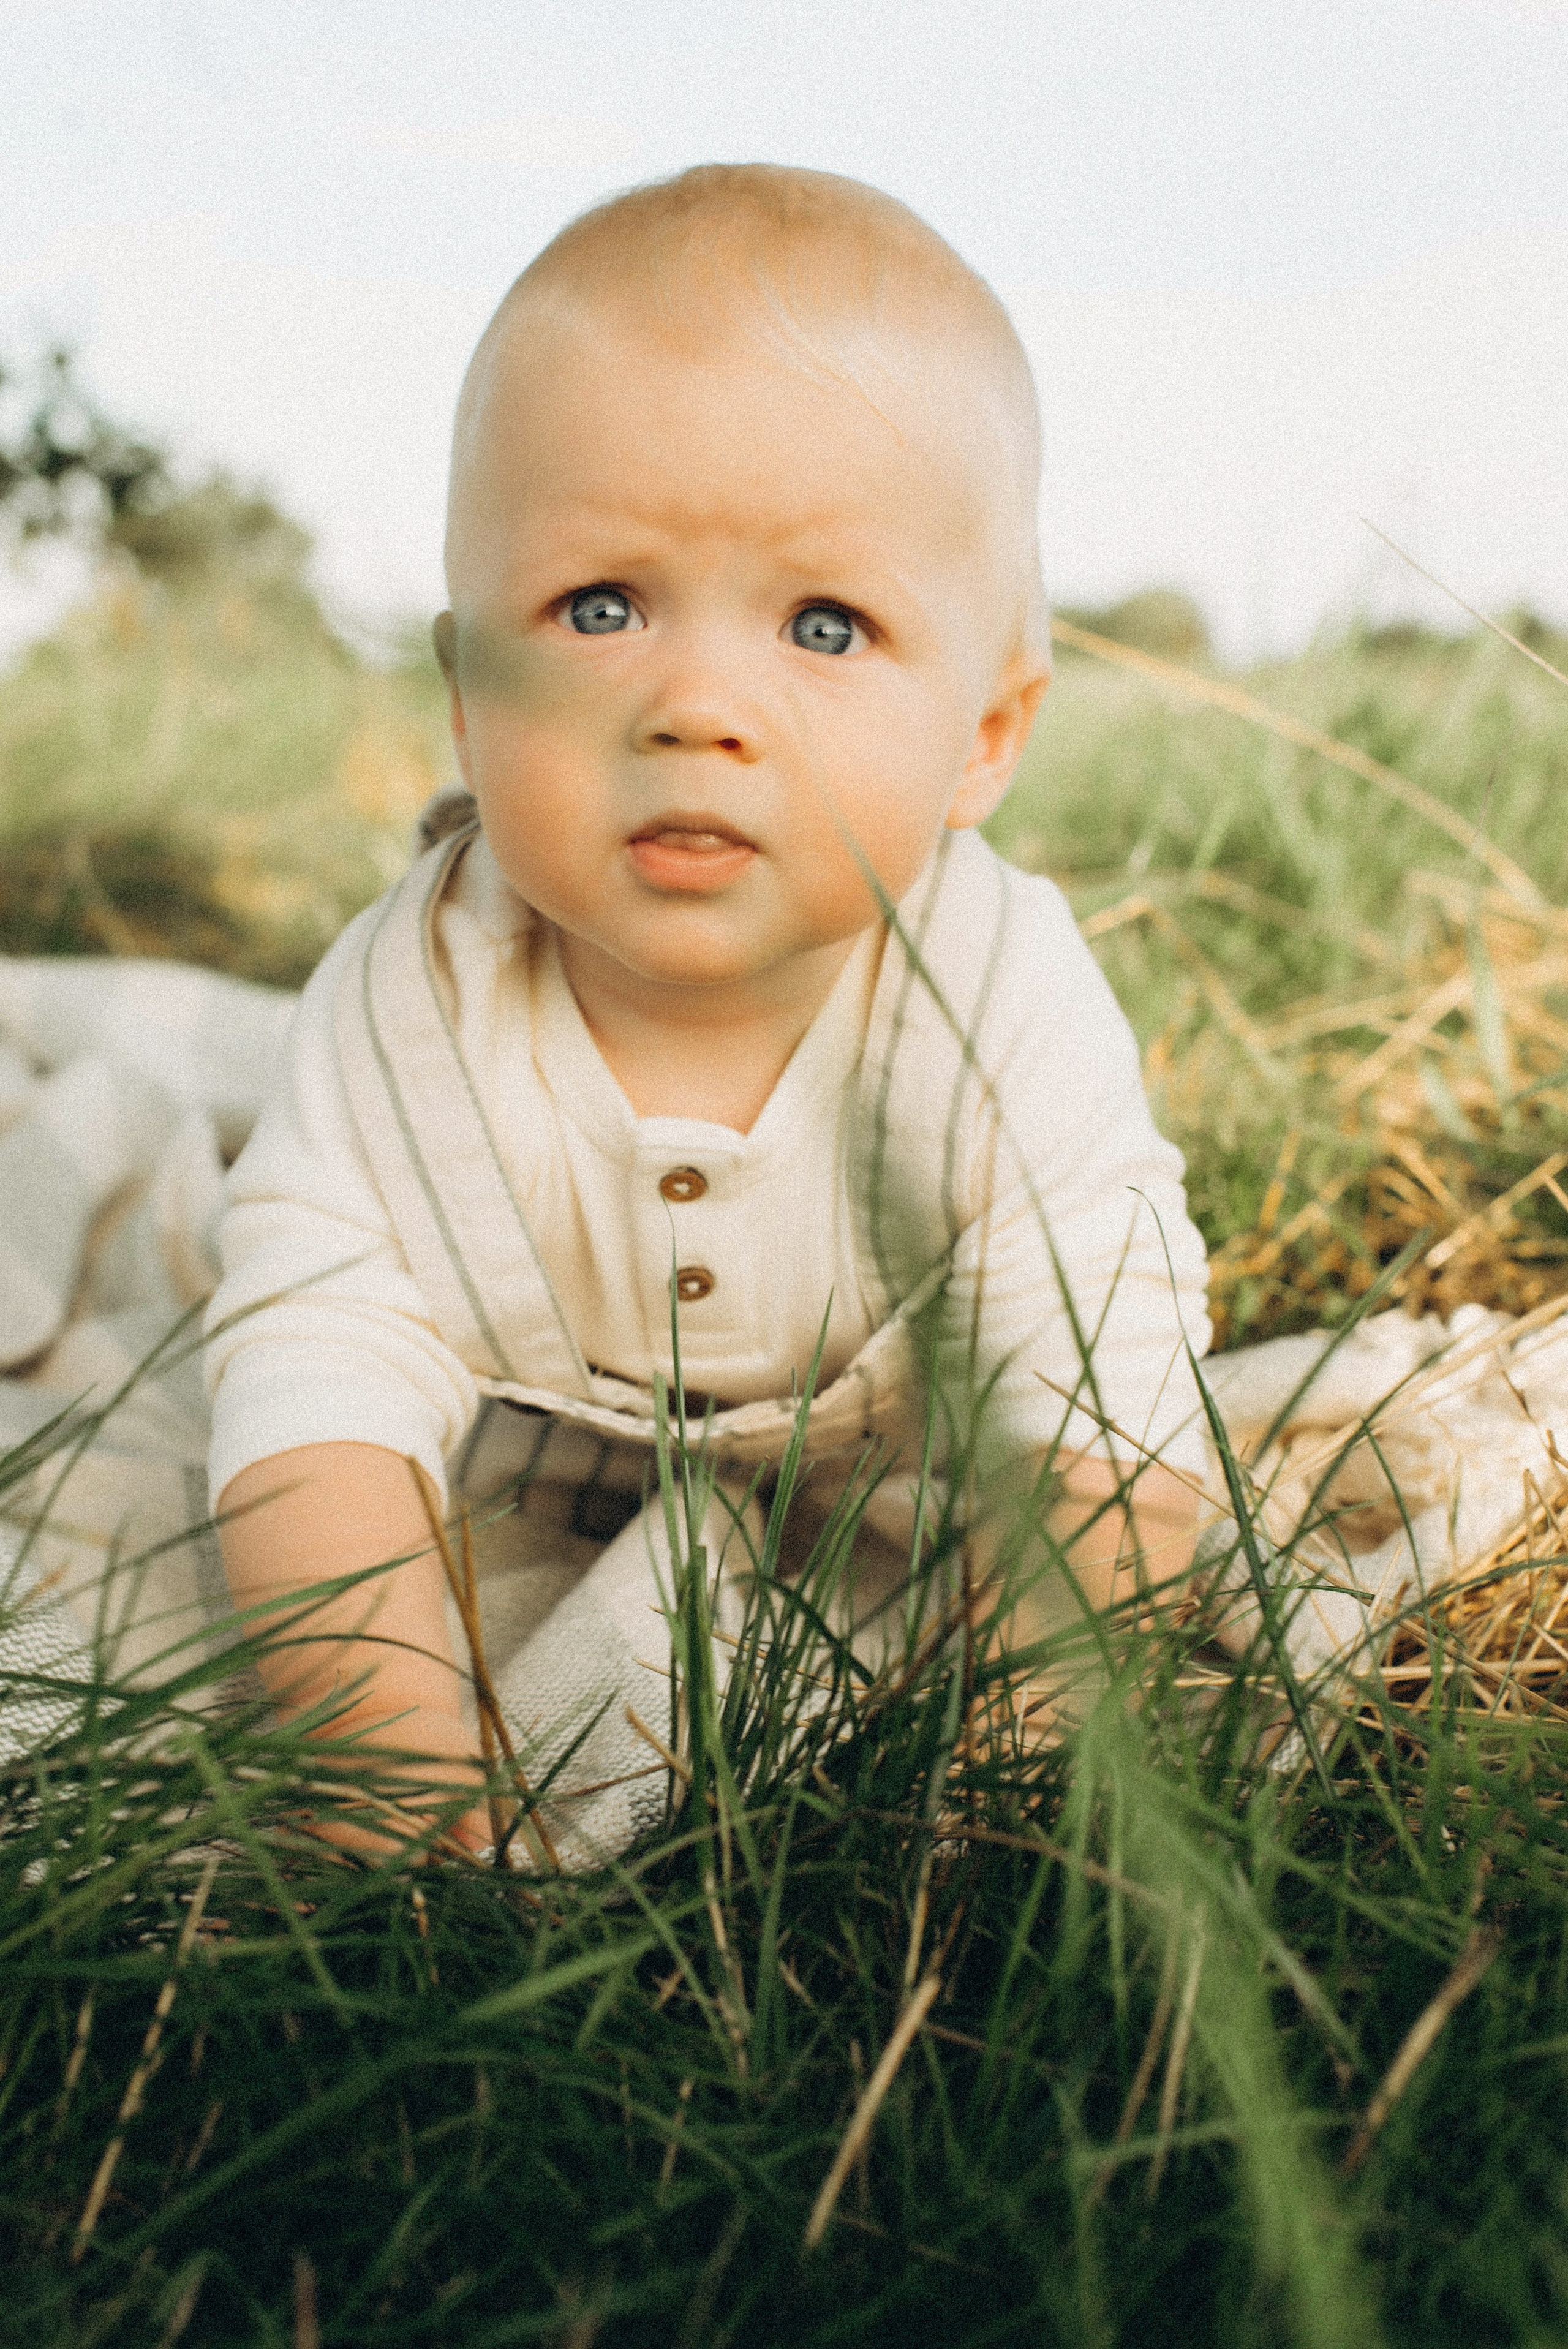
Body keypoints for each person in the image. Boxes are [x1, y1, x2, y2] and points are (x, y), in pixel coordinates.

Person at [204, 164, 1211, 1866]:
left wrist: (1010, 1783)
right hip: (537, 1420)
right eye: (601, 607)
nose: (697, 704)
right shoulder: (406, 1012)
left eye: (827, 623)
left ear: (987, 732)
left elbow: (1112, 1429)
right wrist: (395, 1783)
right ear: (466, 692)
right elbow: (312, 1401)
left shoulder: (1000, 1010)